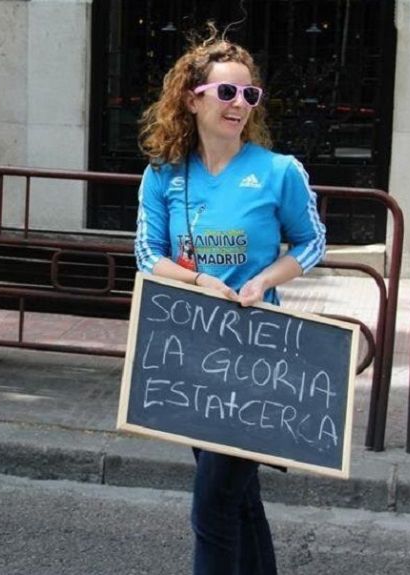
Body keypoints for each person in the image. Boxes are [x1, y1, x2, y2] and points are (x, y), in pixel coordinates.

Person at [133, 27, 326, 575]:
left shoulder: (278, 171)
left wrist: (263, 281)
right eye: (226, 93)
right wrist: (197, 283)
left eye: (249, 95)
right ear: (192, 98)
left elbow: (313, 243)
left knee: (213, 504)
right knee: (239, 500)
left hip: (257, 356)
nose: (239, 104)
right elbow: (148, 254)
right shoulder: (164, 175)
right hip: (191, 356)